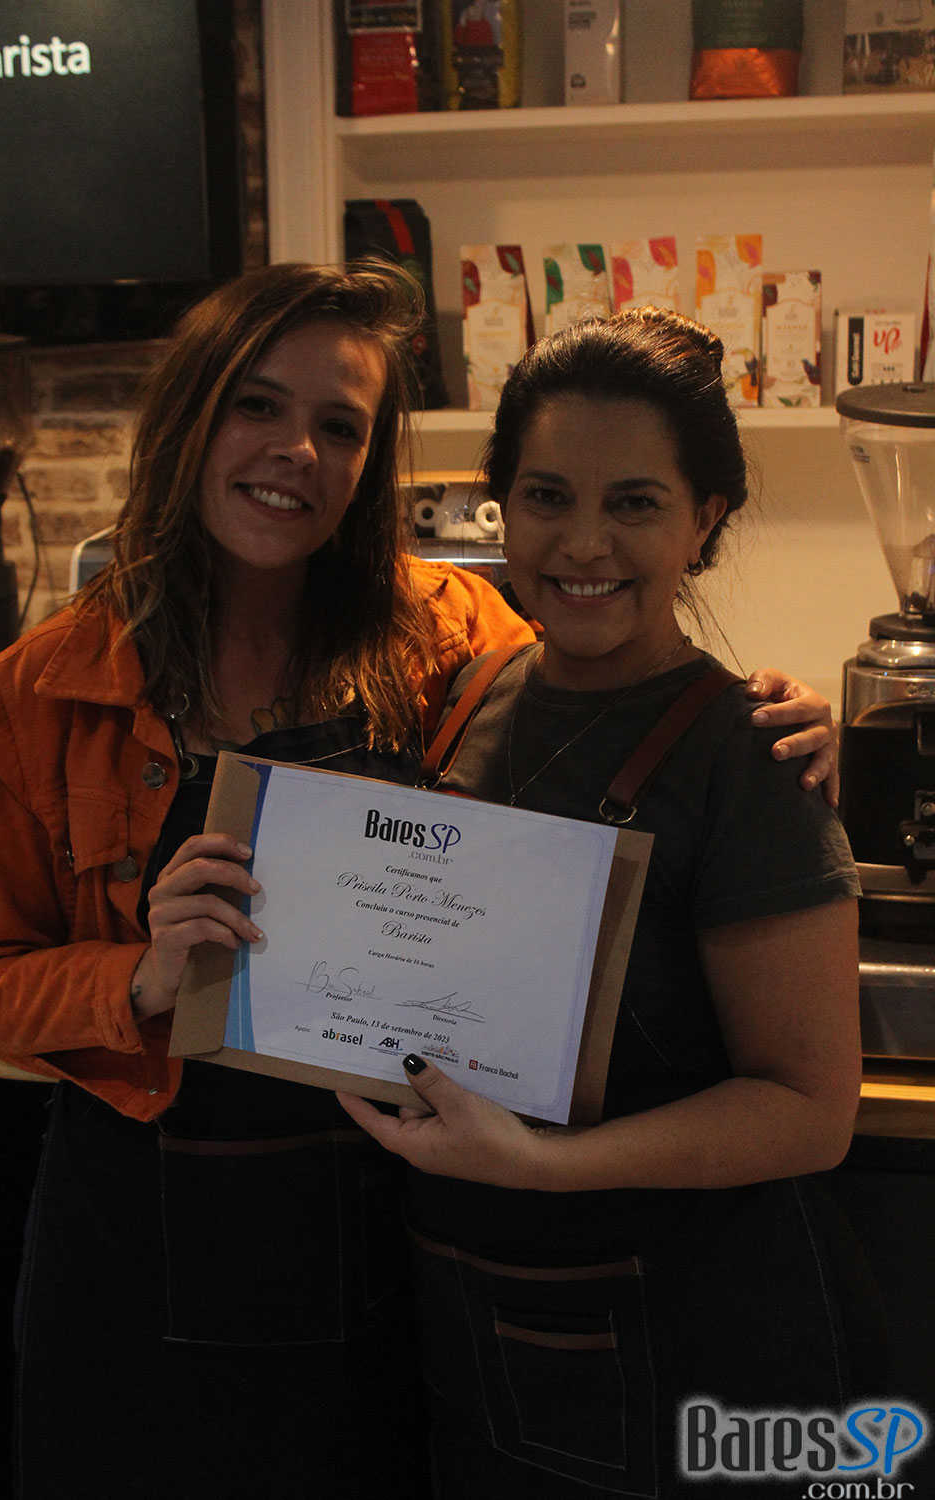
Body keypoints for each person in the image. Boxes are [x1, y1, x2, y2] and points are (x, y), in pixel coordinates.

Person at [0, 264, 838, 1500]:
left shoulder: (449, 635)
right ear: (190, 414)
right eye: (257, 405)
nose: (295, 452)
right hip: (137, 1261)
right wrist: (141, 977)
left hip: (389, 1247)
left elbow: (619, 679)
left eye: (341, 425)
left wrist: (776, 714)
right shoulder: (39, 691)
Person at [339, 308, 880, 1500]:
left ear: (705, 518)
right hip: (472, 1315)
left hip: (694, 1345)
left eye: (634, 503)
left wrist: (541, 1166)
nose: (583, 543)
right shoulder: (465, 696)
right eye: (546, 497)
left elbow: (808, 1111)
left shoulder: (748, 756)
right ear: (500, 505)